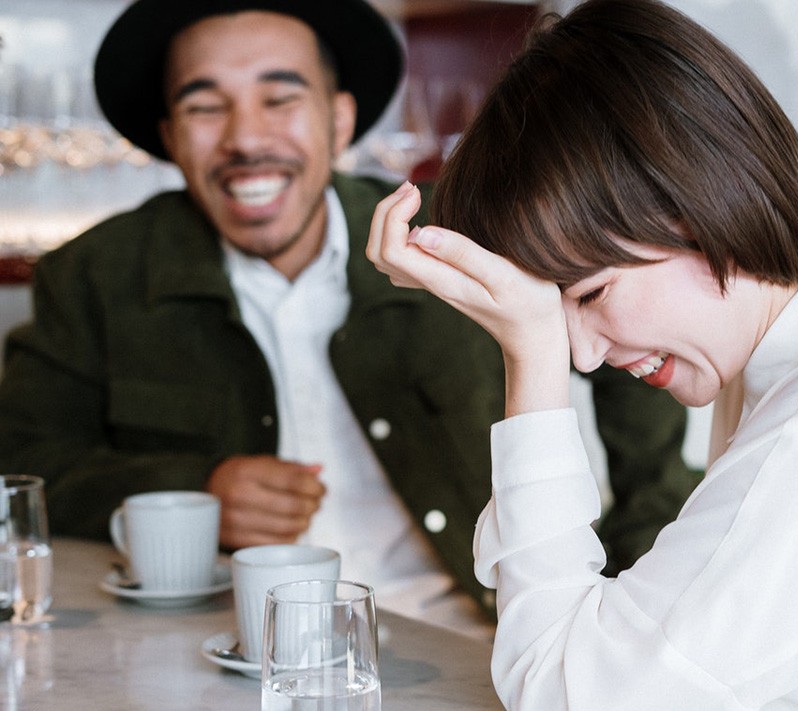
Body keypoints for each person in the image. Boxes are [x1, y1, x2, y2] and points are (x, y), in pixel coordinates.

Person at [368, 0, 798, 706]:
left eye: (592, 293)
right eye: (556, 311)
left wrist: (531, 352)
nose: (581, 354)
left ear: (693, 204)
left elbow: (562, 692)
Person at [0, 0, 696, 638]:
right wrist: (196, 485)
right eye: (206, 107)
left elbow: (628, 361)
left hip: (477, 645)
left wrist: (635, 593)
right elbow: (23, 471)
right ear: (169, 136)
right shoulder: (93, 275)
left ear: (338, 120)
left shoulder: (462, 234)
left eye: (280, 98)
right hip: (223, 661)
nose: (247, 139)